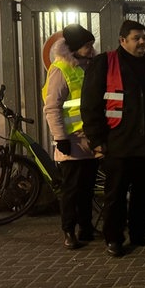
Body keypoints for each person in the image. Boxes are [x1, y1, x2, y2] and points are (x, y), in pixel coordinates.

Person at [80, 20, 145, 258]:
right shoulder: (105, 62)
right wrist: (97, 140)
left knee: (144, 192)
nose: (142, 41)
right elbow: (90, 105)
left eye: (144, 37)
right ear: (123, 41)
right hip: (118, 143)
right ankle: (114, 238)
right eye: (136, 38)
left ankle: (140, 232)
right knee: (116, 195)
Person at [42, 24, 99, 250]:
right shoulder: (61, 69)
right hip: (71, 140)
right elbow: (52, 107)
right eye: (86, 45)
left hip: (90, 138)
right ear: (75, 47)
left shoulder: (90, 66)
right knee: (71, 190)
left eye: (91, 44)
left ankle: (86, 228)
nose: (90, 48)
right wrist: (60, 137)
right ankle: (69, 231)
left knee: (87, 188)